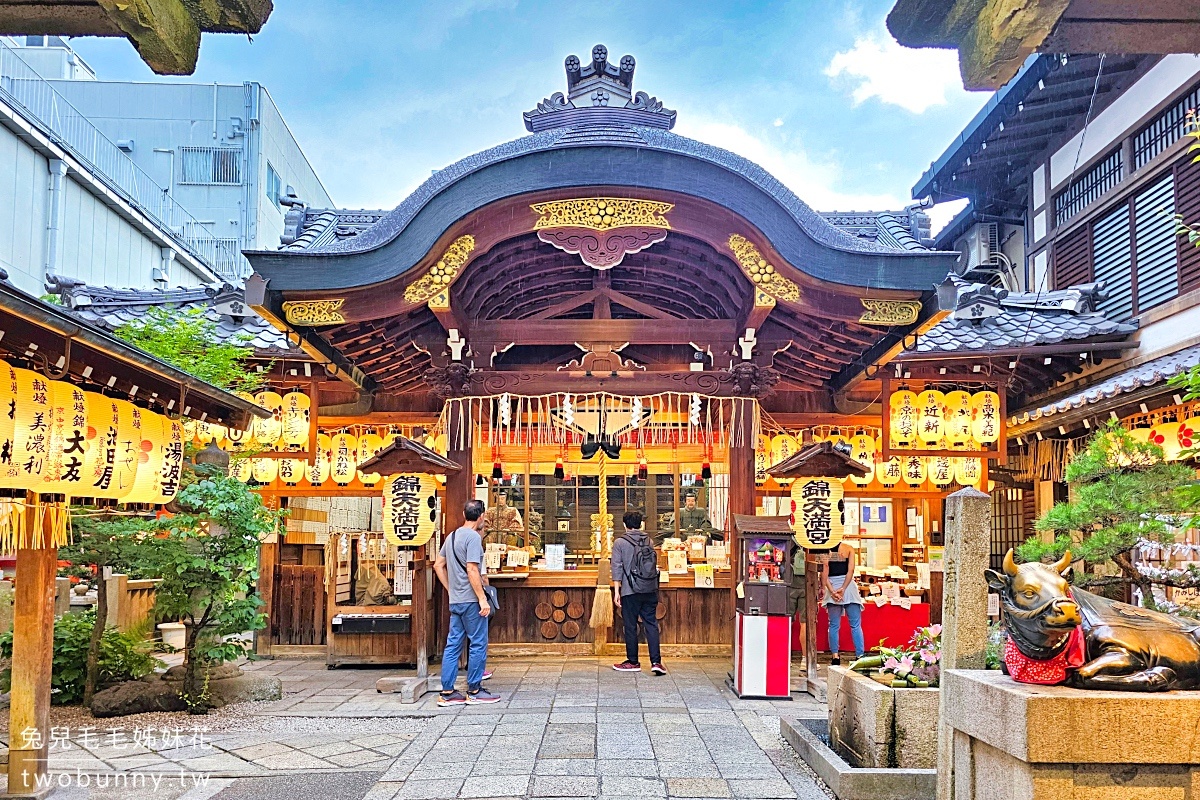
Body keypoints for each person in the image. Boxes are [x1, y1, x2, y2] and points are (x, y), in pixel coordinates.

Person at [433, 499, 500, 705]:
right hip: (471, 601)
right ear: (481, 517)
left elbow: (438, 565)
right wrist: (482, 599)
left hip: (456, 601)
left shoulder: (452, 536)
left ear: (464, 515)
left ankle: (447, 692)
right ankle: (474, 690)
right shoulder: (472, 538)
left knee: (453, 645)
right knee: (478, 643)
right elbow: (472, 569)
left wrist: (451, 589)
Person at [610, 510, 666, 675]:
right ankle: (656, 662)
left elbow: (616, 567)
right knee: (651, 624)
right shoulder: (648, 540)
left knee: (630, 626)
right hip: (649, 588)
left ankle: (633, 662)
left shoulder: (620, 543)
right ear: (641, 524)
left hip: (630, 590)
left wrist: (616, 591)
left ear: (624, 525)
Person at [821, 540, 864, 666]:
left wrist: (832, 591)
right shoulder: (849, 549)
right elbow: (850, 571)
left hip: (832, 586)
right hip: (849, 588)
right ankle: (859, 655)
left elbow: (824, 572)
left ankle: (835, 656)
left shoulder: (824, 550)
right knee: (855, 625)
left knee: (834, 625)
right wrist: (844, 588)